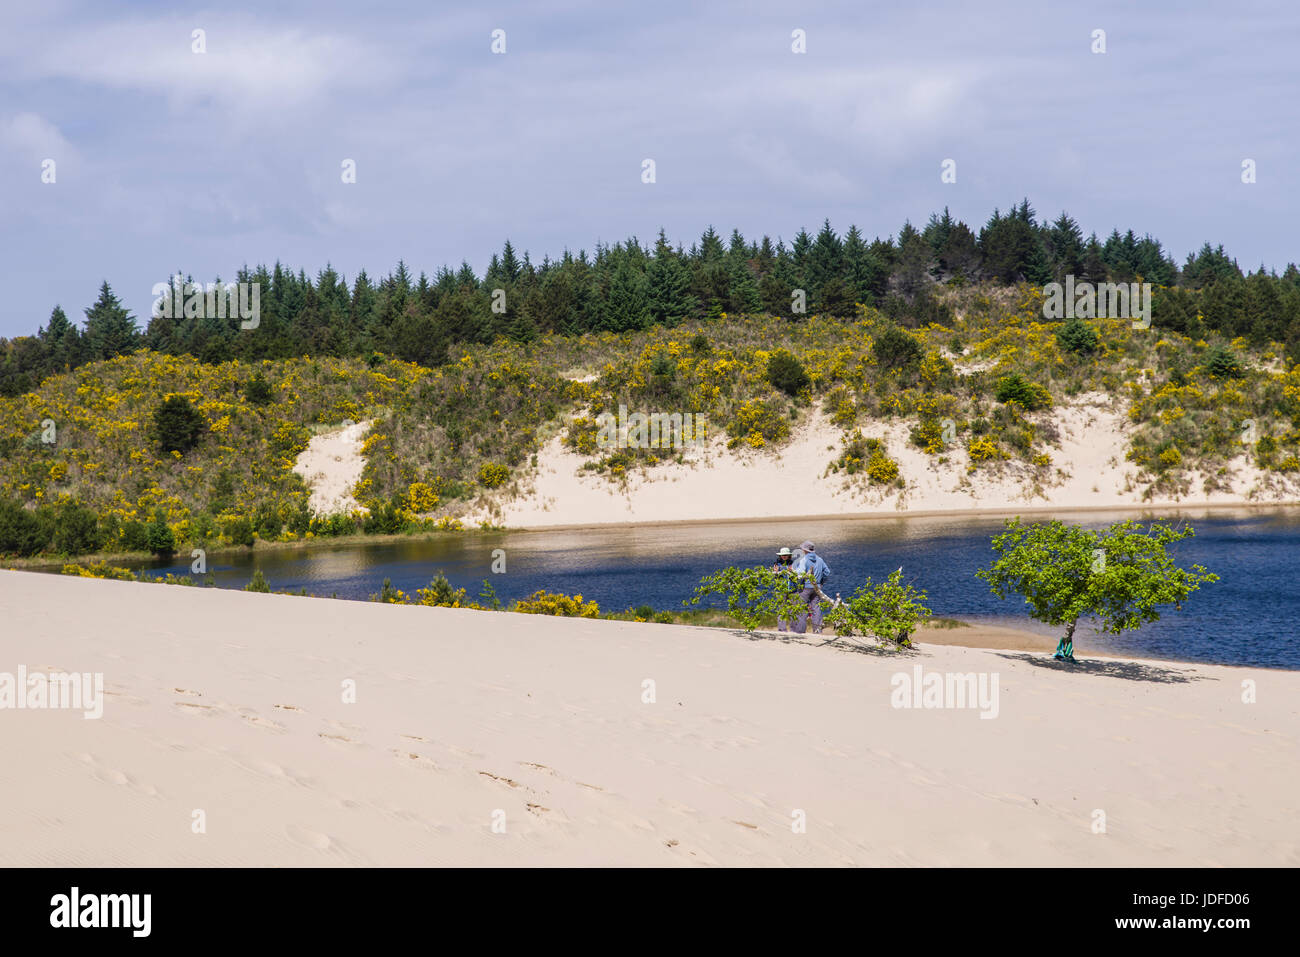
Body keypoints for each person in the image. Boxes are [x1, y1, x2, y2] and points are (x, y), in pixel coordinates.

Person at [790, 540, 831, 635]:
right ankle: (817, 631)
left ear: (804, 550)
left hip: (805, 587)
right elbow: (827, 572)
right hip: (816, 587)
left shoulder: (803, 559)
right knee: (816, 609)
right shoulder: (820, 559)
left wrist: (792, 571)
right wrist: (821, 583)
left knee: (801, 608)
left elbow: (800, 574)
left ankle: (800, 631)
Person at [772, 547, 796, 631]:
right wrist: (776, 572)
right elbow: (775, 576)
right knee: (781, 610)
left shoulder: (794, 563)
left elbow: (797, 575)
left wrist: (793, 571)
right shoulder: (776, 564)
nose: (784, 556)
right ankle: (782, 629)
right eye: (782, 555)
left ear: (789, 555)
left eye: (786, 555)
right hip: (780, 590)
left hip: (793, 589)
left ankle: (794, 629)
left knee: (793, 610)